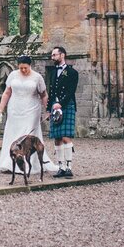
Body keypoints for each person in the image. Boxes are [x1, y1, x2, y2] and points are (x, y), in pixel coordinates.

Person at [0, 55, 56, 174]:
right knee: (13, 134)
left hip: (31, 110)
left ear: (30, 65)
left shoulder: (37, 77)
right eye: (21, 68)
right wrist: (0, 110)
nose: (23, 70)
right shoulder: (13, 75)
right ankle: (10, 162)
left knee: (27, 136)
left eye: (25, 68)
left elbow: (44, 95)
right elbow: (7, 93)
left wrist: (47, 110)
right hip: (14, 109)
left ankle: (29, 164)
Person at [48, 46, 79, 177]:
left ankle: (68, 167)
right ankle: (60, 167)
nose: (52, 57)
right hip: (55, 107)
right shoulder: (53, 72)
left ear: (62, 55)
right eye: (52, 55)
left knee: (66, 137)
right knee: (57, 138)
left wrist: (61, 103)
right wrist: (49, 107)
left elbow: (71, 91)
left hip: (67, 105)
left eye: (54, 55)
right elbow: (51, 91)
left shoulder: (72, 73)